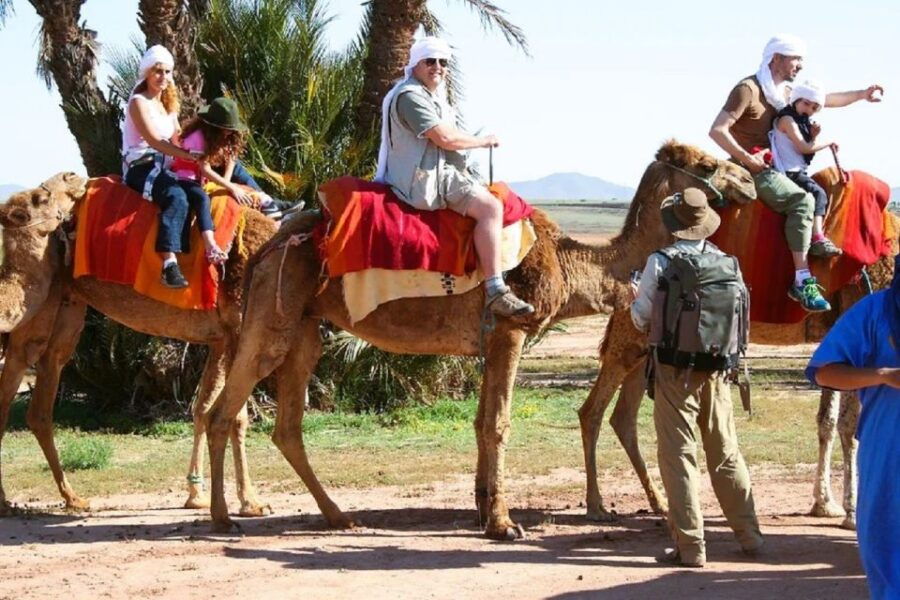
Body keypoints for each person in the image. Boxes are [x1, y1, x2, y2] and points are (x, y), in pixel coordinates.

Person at [631, 188, 763, 568]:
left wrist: (635, 300)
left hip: (674, 372)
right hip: (719, 371)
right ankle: (750, 536)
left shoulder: (661, 262)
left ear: (674, 224)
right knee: (725, 453)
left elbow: (640, 318)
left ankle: (691, 548)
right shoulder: (727, 262)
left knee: (678, 456)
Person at [709, 33, 883, 312]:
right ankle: (802, 281)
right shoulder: (748, 89)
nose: (800, 65)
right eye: (795, 58)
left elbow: (827, 99)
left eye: (802, 59)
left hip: (779, 166)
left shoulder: (787, 94)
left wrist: (861, 95)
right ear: (776, 58)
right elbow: (717, 130)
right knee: (802, 201)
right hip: (749, 168)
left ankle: (815, 242)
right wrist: (748, 159)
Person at [375, 37, 534, 318]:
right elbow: (444, 138)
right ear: (415, 65)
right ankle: (495, 288)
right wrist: (483, 141)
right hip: (423, 180)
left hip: (435, 171)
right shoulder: (411, 96)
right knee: (491, 208)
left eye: (443, 62)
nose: (437, 67)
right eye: (430, 61)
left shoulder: (431, 96)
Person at [806, 252, 900, 599]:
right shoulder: (876, 311)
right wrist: (882, 376)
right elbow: (826, 371)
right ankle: (802, 278)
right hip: (888, 450)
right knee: (887, 546)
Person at [122, 45, 225, 288]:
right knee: (176, 196)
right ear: (147, 73)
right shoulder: (139, 102)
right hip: (142, 166)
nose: (163, 77)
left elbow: (177, 136)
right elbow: (154, 141)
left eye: (168, 72)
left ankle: (265, 201)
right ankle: (169, 264)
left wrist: (206, 146)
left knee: (200, 192)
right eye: (158, 71)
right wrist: (189, 157)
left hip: (169, 165)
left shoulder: (168, 106)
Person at [171, 97, 289, 221]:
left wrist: (226, 183)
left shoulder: (229, 135)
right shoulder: (198, 138)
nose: (229, 131)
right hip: (192, 177)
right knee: (207, 198)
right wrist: (231, 187)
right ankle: (271, 202)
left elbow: (232, 156)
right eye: (226, 127)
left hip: (209, 173)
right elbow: (204, 169)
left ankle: (266, 200)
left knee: (237, 168)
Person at [769, 80, 841, 257]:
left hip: (797, 171)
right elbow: (804, 148)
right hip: (789, 173)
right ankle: (817, 238)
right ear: (795, 100)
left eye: (814, 108)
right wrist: (827, 142)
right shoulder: (787, 120)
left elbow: (807, 146)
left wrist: (814, 136)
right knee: (819, 194)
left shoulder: (801, 123)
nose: (808, 110)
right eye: (806, 103)